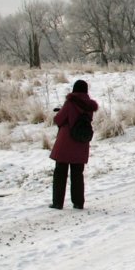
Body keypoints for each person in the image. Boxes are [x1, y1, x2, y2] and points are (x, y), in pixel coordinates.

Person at [49, 79, 98, 210]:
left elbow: (58, 119)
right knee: (77, 174)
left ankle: (57, 202)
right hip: (81, 143)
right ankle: (78, 202)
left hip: (66, 142)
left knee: (60, 173)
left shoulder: (70, 102)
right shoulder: (89, 106)